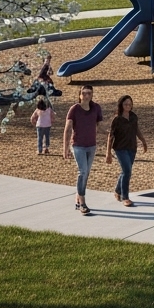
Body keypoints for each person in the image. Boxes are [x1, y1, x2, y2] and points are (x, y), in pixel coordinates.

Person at [62, 85, 103, 216]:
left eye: (89, 93)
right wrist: (65, 148)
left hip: (91, 146)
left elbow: (99, 126)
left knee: (86, 174)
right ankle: (82, 203)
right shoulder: (74, 109)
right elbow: (68, 129)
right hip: (78, 145)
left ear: (92, 95)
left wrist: (111, 134)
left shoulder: (96, 108)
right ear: (80, 94)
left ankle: (77, 197)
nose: (86, 95)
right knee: (82, 171)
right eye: (84, 93)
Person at [104, 95, 148, 207]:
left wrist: (143, 141)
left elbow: (136, 129)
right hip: (120, 148)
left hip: (132, 147)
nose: (128, 106)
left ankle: (117, 191)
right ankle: (125, 197)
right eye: (125, 104)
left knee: (125, 171)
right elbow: (111, 136)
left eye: (129, 104)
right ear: (121, 105)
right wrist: (108, 152)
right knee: (127, 171)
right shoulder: (117, 119)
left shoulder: (133, 116)